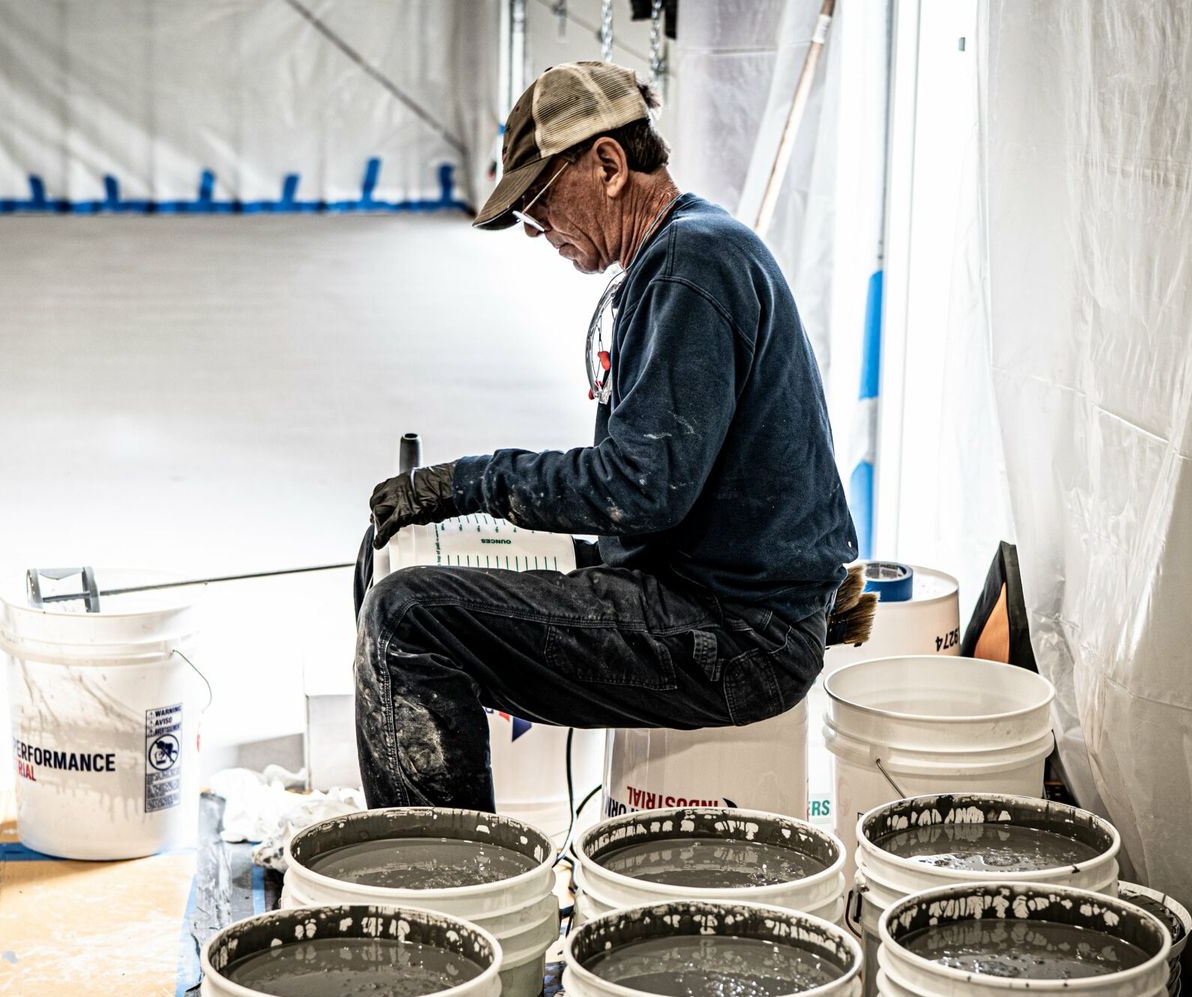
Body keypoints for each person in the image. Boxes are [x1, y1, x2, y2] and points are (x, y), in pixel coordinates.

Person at [353, 61, 867, 812]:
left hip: (738, 637)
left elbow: (638, 490)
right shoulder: (687, 251)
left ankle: (451, 894)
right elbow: (655, 491)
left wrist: (468, 483)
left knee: (410, 619)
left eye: (539, 200)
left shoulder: (693, 265)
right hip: (709, 592)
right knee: (406, 574)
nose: (534, 228)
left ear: (607, 163)